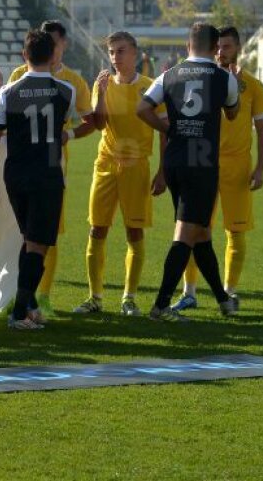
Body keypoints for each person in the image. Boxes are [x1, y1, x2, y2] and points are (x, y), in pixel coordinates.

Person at [137, 22, 240, 322]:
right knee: (186, 233)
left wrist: (166, 126)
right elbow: (232, 114)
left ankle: (223, 300)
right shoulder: (224, 78)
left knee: (200, 233)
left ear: (188, 45)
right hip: (202, 162)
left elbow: (142, 108)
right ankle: (160, 306)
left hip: (175, 160)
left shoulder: (168, 75)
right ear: (215, 48)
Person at [0, 29, 77, 330]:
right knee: (37, 246)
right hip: (47, 173)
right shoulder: (65, 90)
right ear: (52, 56)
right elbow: (79, 121)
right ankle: (19, 313)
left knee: (29, 241)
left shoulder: (7, 92)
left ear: (24, 56)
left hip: (16, 175)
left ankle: (30, 305)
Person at [174, 25, 263, 313]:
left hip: (237, 168)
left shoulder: (252, 85)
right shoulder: (202, 81)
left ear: (237, 49)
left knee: (235, 232)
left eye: (227, 47)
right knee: (193, 228)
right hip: (204, 164)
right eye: (218, 47)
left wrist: (260, 168)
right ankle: (189, 292)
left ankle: (229, 291)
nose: (221, 52)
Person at [4, 20, 95, 314]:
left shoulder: (67, 82)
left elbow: (89, 122)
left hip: (21, 170)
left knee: (36, 238)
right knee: (37, 239)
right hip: (47, 171)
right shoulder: (65, 87)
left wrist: (68, 134)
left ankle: (34, 299)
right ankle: (25, 303)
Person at [73, 32, 164, 317]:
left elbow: (164, 130)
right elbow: (99, 125)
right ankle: (95, 297)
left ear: (135, 53)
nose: (115, 57)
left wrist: (163, 171)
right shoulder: (102, 84)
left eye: (121, 51)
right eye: (111, 52)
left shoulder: (150, 88)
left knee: (133, 231)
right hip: (106, 164)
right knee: (96, 228)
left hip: (136, 166)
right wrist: (99, 96)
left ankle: (129, 298)